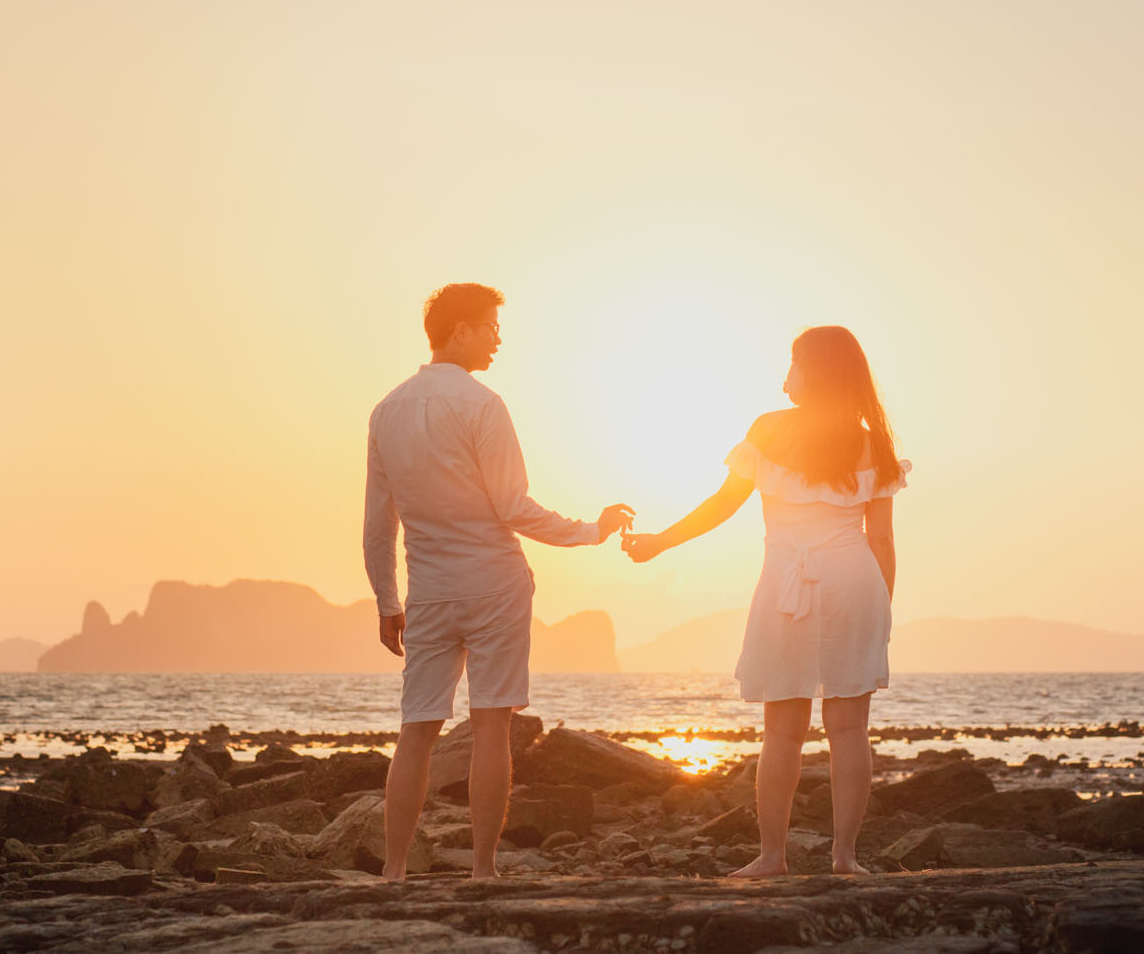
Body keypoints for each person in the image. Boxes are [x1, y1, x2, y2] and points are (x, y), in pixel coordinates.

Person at [364, 282, 635, 880]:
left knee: (416, 731)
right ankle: (483, 871)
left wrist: (387, 602)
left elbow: (377, 524)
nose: (498, 339)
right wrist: (592, 529)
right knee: (492, 725)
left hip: (429, 592)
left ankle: (394, 873)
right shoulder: (484, 405)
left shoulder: (386, 411)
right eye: (489, 327)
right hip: (494, 585)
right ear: (459, 331)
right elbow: (513, 506)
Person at [622, 326, 907, 876]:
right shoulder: (872, 441)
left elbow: (721, 505)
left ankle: (772, 857)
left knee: (782, 731)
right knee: (850, 730)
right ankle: (845, 857)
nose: (785, 374)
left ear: (815, 370)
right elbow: (883, 540)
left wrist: (659, 542)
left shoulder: (769, 430)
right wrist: (884, 610)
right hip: (857, 584)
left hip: (786, 587)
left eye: (794, 362)